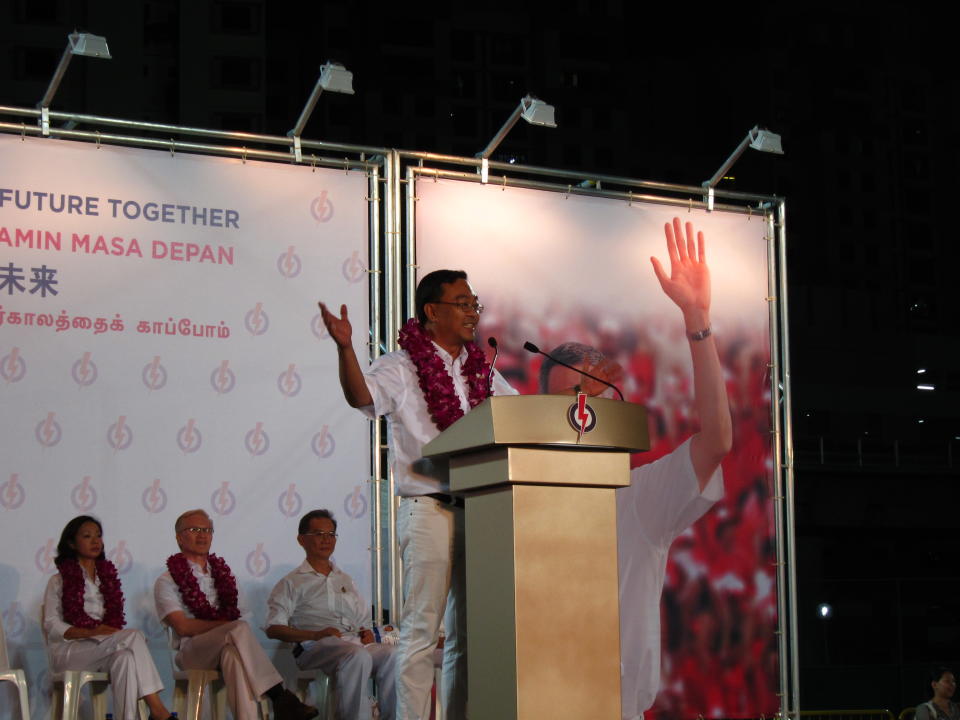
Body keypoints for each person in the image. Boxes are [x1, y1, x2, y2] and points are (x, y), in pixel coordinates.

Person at [539, 218, 733, 720]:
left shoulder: (641, 496)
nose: (579, 407)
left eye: (590, 394)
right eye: (565, 396)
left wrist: (697, 319)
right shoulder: (522, 499)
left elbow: (718, 439)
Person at [319, 269, 516, 720]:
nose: (472, 312)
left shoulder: (480, 371)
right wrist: (346, 348)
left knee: (466, 635)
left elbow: (517, 414)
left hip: (482, 510)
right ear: (432, 311)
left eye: (474, 304)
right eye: (462, 303)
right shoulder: (402, 366)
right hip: (429, 508)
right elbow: (361, 396)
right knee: (421, 631)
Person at [154, 509, 317, 720]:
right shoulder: (167, 580)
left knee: (233, 658)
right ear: (179, 537)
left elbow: (243, 619)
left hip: (226, 647)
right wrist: (224, 626)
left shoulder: (224, 576)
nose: (202, 535)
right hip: (191, 652)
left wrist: (227, 627)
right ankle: (279, 696)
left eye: (207, 530)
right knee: (236, 629)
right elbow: (183, 627)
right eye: (194, 529)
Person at [265, 509, 397, 720]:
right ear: (301, 540)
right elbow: (273, 629)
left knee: (393, 655)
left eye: (331, 535)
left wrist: (367, 633)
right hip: (314, 646)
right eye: (318, 534)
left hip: (351, 642)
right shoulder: (291, 582)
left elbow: (362, 621)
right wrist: (314, 635)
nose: (326, 540)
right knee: (357, 655)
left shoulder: (345, 579)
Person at [43, 515, 173, 720]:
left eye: (98, 536)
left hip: (102, 648)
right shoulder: (58, 580)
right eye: (87, 536)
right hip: (68, 651)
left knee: (126, 658)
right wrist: (90, 632)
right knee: (132, 636)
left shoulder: (107, 579)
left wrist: (100, 634)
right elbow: (51, 624)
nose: (95, 541)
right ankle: (158, 709)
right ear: (71, 543)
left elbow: (109, 627)